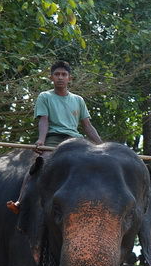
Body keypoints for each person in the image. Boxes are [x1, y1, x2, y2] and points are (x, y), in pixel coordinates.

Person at [7, 61, 102, 213]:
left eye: (64, 75)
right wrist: (41, 140)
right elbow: (43, 120)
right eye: (57, 74)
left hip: (75, 140)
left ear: (70, 78)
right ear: (51, 77)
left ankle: (98, 203)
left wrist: (101, 145)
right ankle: (20, 201)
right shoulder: (45, 97)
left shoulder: (78, 100)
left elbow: (87, 126)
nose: (60, 78)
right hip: (53, 139)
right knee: (40, 164)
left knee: (95, 164)